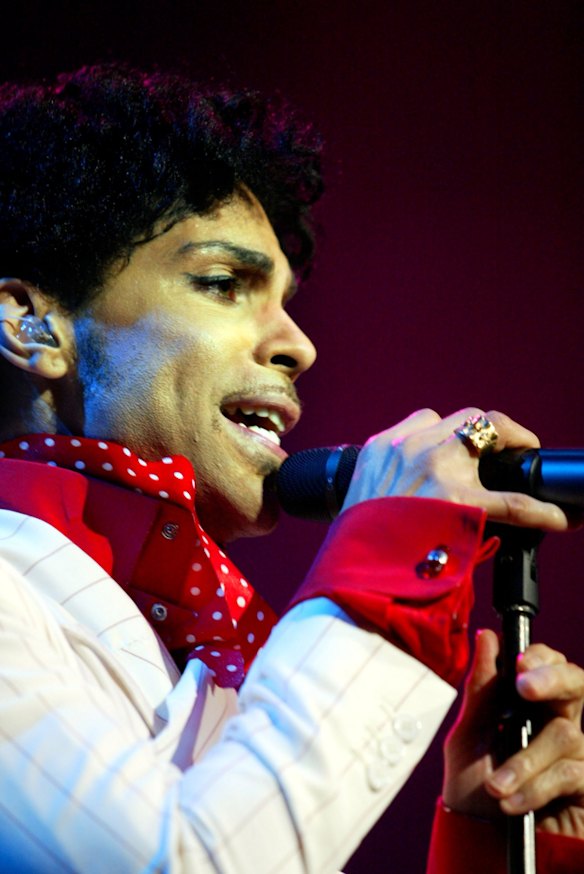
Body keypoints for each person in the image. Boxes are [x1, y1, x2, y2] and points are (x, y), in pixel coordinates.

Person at [0, 63, 580, 873]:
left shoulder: (207, 657)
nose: (298, 346)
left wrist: (489, 840)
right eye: (222, 283)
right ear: (32, 326)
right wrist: (388, 572)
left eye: (285, 300)